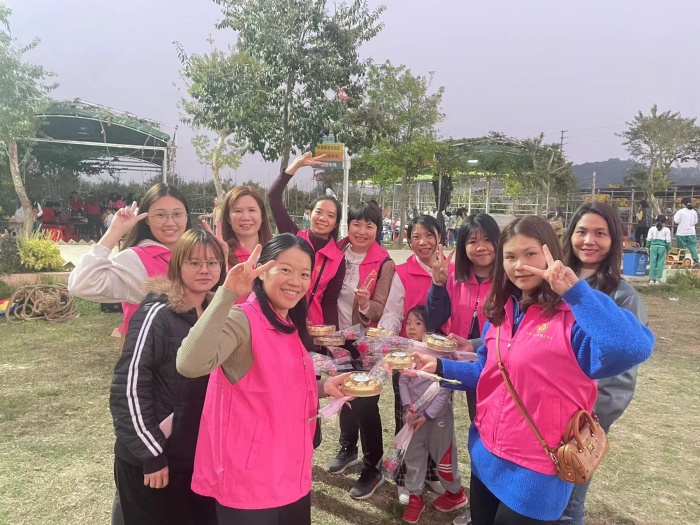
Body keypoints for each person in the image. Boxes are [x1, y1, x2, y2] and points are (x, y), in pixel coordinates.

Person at [412, 215, 654, 525]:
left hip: (537, 470)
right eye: (510, 256)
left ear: (551, 255)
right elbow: (486, 372)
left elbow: (632, 347)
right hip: (487, 457)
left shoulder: (573, 319)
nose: (520, 266)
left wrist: (575, 292)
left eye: (530, 254)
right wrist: (438, 366)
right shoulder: (503, 311)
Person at [176, 235, 349, 525]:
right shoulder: (242, 319)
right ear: (262, 271)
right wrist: (227, 294)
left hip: (290, 470)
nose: (295, 281)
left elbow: (277, 385)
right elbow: (189, 364)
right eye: (285, 270)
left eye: (304, 274)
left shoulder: (287, 322)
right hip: (250, 482)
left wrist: (322, 387)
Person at [110, 228, 226, 525]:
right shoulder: (157, 313)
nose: (204, 270)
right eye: (194, 262)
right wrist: (151, 455)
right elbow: (128, 388)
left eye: (212, 262)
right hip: (156, 455)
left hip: (196, 455)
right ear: (177, 265)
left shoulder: (217, 314)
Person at [554, 202, 651, 524]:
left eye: (600, 233)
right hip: (543, 411)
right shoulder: (552, 284)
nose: (588, 241)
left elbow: (621, 376)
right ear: (570, 235)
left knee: (568, 502)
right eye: (581, 231)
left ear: (614, 241)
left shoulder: (622, 296)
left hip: (577, 422)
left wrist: (590, 421)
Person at [327, 201, 395, 500]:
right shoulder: (335, 251)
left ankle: (373, 467)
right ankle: (348, 448)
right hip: (337, 338)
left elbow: (379, 307)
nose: (362, 230)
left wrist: (366, 303)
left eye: (370, 225)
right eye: (357, 223)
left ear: (378, 229)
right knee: (343, 393)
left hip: (367, 342)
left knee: (366, 404)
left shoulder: (384, 262)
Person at [376, 215, 446, 504]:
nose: (422, 242)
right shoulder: (403, 272)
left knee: (437, 418)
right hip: (408, 357)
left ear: (440, 237)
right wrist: (385, 336)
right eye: (416, 237)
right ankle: (404, 477)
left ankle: (431, 472)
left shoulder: (451, 271)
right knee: (406, 415)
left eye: (429, 235)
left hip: (441, 359)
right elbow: (393, 312)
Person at [68, 184, 192, 338]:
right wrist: (115, 231)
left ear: (187, 216)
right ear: (146, 219)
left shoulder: (196, 255)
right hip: (154, 351)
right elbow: (81, 285)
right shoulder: (136, 259)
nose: (170, 222)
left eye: (177, 214)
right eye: (161, 215)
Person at [399, 305, 467, 524]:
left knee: (444, 458)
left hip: (438, 419)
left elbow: (445, 390)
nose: (411, 328)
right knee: (413, 456)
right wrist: (409, 407)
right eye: (409, 323)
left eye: (418, 323)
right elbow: (403, 381)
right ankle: (415, 497)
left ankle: (455, 492)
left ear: (430, 328)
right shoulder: (408, 352)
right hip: (413, 416)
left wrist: (428, 415)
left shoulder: (443, 354)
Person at [268, 152, 345, 327]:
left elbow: (329, 302)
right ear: (309, 214)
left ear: (335, 224)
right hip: (281, 322)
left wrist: (332, 336)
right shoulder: (293, 237)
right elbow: (273, 197)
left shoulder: (338, 259)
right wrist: (294, 167)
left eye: (330, 215)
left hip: (314, 330)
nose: (323, 218)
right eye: (318, 212)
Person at [220, 186, 273, 268]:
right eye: (238, 211)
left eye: (252, 210)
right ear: (228, 218)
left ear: (262, 215)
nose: (245, 217)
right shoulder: (220, 254)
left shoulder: (277, 253)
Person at [673, 196, 699, 267]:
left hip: (681, 232)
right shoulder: (694, 212)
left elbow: (676, 221)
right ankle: (696, 261)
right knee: (692, 247)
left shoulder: (680, 212)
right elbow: (695, 221)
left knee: (681, 248)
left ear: (682, 204)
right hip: (691, 232)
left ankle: (681, 261)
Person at [646, 214, 671, 285]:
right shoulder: (667, 230)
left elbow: (649, 239)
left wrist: (647, 247)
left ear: (656, 221)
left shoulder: (652, 229)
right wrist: (669, 249)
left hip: (653, 247)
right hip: (662, 248)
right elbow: (668, 241)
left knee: (652, 262)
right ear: (664, 222)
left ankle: (651, 278)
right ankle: (658, 279)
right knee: (660, 263)